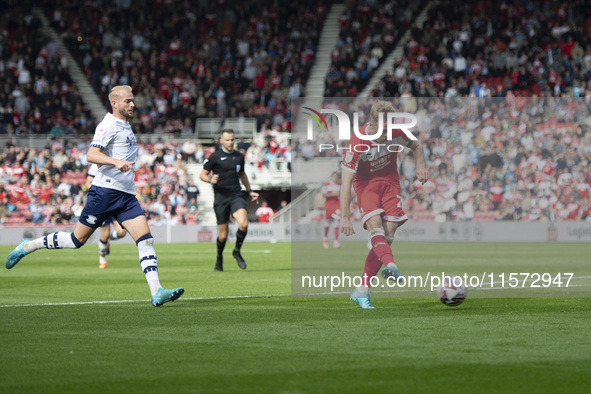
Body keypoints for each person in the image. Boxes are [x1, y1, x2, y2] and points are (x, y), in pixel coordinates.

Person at [5, 85, 184, 307]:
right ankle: (28, 246)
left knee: (145, 240)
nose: (133, 104)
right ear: (115, 103)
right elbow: (91, 154)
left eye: (132, 100)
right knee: (76, 240)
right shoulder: (108, 124)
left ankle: (157, 291)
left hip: (126, 196)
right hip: (105, 192)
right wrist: (115, 162)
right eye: (128, 101)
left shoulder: (125, 125)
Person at [340, 100, 429, 309]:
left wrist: (421, 166)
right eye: (383, 130)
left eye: (389, 128)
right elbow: (345, 184)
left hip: (390, 182)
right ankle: (391, 265)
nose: (387, 134)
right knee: (375, 226)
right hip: (366, 184)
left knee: (388, 235)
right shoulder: (357, 142)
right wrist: (345, 216)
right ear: (371, 124)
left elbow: (417, 146)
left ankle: (361, 289)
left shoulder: (396, 131)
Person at [200, 129, 259, 272]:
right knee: (223, 235)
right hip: (220, 198)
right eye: (227, 140)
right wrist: (209, 179)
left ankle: (237, 251)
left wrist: (250, 191)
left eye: (232, 140)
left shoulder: (239, 156)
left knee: (243, 224)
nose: (230, 142)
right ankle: (219, 258)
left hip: (236, 195)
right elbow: (202, 174)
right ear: (221, 141)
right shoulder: (214, 157)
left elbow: (242, 174)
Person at [85, 163, 128, 269]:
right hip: (102, 203)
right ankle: (102, 258)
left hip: (115, 202)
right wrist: (100, 193)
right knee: (104, 234)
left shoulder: (116, 163)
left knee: (122, 232)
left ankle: (108, 240)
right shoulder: (95, 166)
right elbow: (87, 183)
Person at [322, 171, 342, 248]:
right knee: (327, 224)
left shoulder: (340, 185)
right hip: (328, 206)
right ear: (331, 177)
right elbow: (324, 195)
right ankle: (325, 238)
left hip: (337, 205)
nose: (335, 178)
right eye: (334, 177)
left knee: (336, 222)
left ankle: (336, 241)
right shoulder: (327, 185)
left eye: (336, 177)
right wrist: (333, 194)